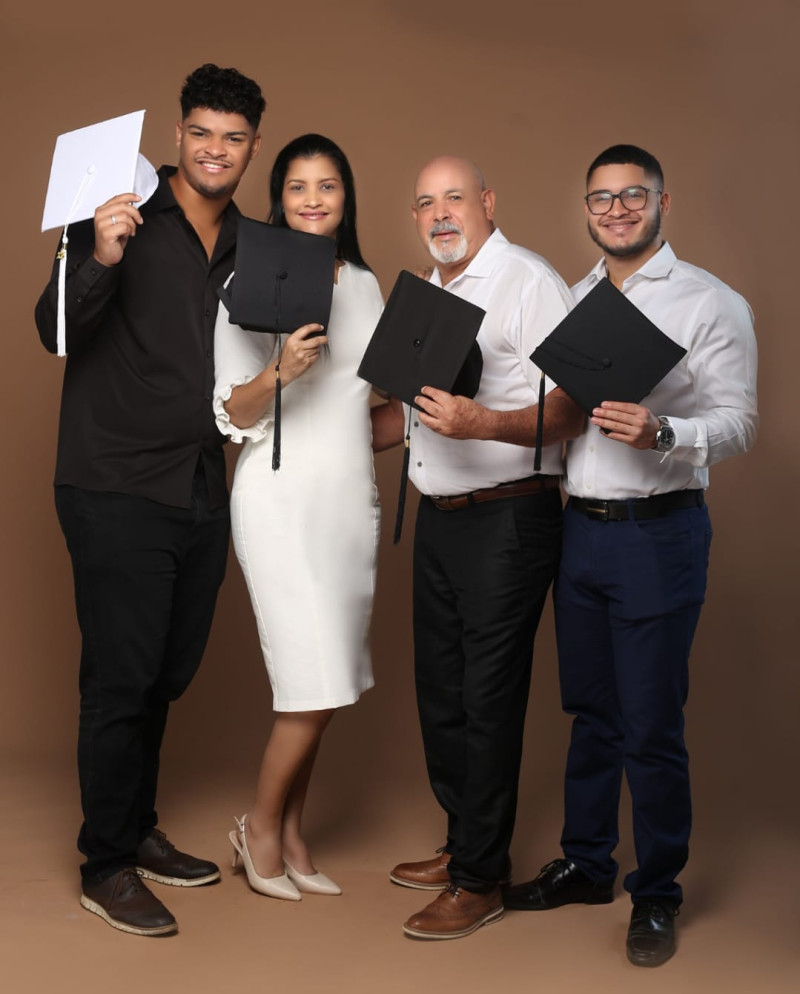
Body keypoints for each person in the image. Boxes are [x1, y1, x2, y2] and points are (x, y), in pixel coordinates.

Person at [503, 145, 758, 968]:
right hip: (583, 531)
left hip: (660, 531)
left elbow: (740, 421)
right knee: (591, 712)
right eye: (601, 198)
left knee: (651, 723)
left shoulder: (710, 301)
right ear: (586, 207)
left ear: (662, 202)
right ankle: (585, 863)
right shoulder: (576, 299)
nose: (616, 209)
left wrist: (667, 432)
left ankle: (657, 893)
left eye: (632, 196)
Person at [34, 64, 265, 936]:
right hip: (113, 481)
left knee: (167, 673)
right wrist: (98, 254)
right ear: (178, 135)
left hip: (204, 484)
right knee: (121, 678)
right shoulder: (113, 205)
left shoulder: (253, 241)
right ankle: (106, 864)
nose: (215, 149)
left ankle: (137, 828)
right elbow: (52, 331)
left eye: (233, 137)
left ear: (250, 147)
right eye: (202, 132)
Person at [373, 156, 585, 940]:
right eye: (425, 201)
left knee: (488, 700)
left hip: (510, 519)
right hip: (440, 520)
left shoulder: (527, 281)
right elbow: (410, 415)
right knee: (443, 694)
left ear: (488, 202)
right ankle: (465, 843)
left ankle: (479, 879)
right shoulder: (430, 295)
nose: (439, 214)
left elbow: (573, 406)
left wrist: (483, 424)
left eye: (454, 197)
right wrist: (340, 435)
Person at [213, 134, 383, 901]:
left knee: (331, 681)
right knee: (306, 685)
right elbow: (229, 413)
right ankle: (255, 826)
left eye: (329, 186)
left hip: (349, 502)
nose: (313, 200)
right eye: (296, 188)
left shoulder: (369, 287)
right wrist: (277, 369)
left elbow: (369, 406)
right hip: (278, 501)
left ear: (346, 199)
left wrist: (443, 406)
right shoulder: (245, 288)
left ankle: (291, 832)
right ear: (277, 200)